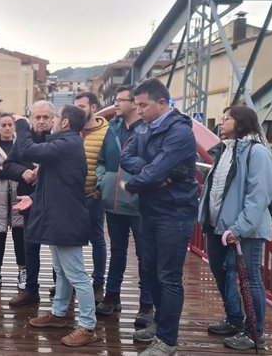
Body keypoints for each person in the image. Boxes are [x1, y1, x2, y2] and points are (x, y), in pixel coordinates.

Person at [119, 78, 198, 356]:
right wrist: (152, 172)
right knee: (150, 272)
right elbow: (125, 157)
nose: (138, 111)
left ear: (162, 103)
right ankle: (159, 326)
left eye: (143, 105)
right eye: (137, 105)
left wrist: (134, 183)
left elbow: (153, 173)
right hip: (150, 209)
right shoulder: (143, 128)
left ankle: (167, 341)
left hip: (174, 212)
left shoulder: (180, 133)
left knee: (168, 276)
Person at [13, 105, 98, 348]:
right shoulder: (65, 143)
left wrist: (21, 124)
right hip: (59, 217)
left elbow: (28, 148)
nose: (54, 120)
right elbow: (55, 183)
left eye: (57, 116)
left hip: (66, 219)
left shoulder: (67, 143)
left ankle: (88, 326)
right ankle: (58, 314)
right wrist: (34, 199)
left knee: (77, 275)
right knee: (61, 271)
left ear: (65, 123)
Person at [198, 105, 272, 351]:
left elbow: (259, 196)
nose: (221, 122)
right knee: (221, 273)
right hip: (217, 226)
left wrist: (240, 228)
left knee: (250, 279)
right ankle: (233, 319)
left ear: (241, 122)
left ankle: (254, 333)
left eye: (227, 118)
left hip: (243, 231)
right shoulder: (225, 150)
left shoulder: (257, 152)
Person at [94, 85, 154, 327]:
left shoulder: (148, 131)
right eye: (115, 100)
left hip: (140, 204)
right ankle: (112, 296)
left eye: (121, 100)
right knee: (117, 251)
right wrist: (102, 181)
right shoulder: (113, 128)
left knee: (145, 255)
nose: (116, 104)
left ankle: (146, 305)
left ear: (134, 104)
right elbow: (100, 160)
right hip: (113, 201)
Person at [3, 101, 53, 307]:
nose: (41, 122)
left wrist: (42, 170)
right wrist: (22, 172)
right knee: (30, 246)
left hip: (53, 200)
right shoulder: (25, 139)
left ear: (53, 118)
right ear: (32, 119)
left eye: (45, 118)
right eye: (37, 117)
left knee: (58, 248)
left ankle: (62, 288)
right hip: (28, 200)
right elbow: (8, 164)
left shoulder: (58, 138)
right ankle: (31, 289)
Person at [0, 113, 26, 290]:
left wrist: (3, 168)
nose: (7, 128)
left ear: (14, 126)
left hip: (18, 192)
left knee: (19, 233)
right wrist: (12, 169)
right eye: (4, 125)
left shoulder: (22, 143)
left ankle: (22, 271)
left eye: (10, 124)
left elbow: (26, 166)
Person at [73, 91, 109, 302]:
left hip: (94, 195)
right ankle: (69, 281)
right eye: (75, 106)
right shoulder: (71, 130)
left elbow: (112, 162)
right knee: (69, 239)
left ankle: (98, 283)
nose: (78, 110)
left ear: (94, 107)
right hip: (71, 196)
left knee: (97, 239)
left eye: (82, 106)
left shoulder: (106, 132)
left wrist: (101, 189)